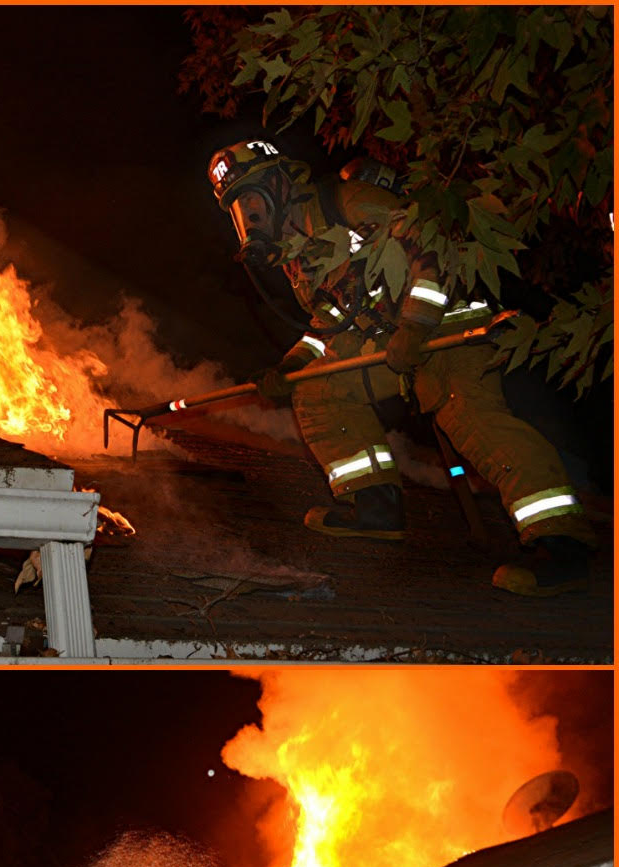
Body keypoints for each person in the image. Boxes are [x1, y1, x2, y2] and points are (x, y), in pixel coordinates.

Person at [207, 139, 596, 596]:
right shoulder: (299, 256)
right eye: (236, 207)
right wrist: (292, 365)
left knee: (471, 420)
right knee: (317, 390)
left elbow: (431, 252)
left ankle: (562, 542)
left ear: (280, 182)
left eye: (251, 198)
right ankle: (374, 507)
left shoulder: (347, 201)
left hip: (449, 327)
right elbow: (332, 321)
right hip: (391, 345)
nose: (247, 215)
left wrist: (415, 325)